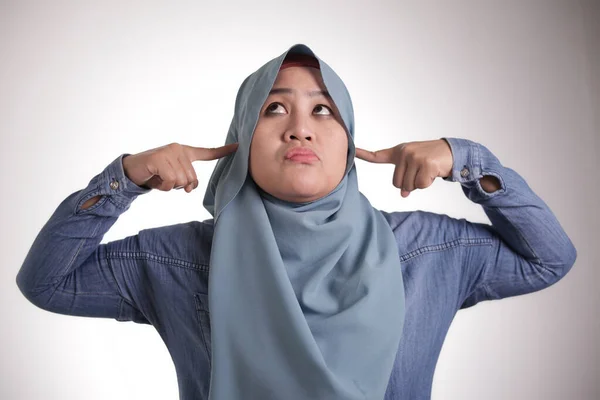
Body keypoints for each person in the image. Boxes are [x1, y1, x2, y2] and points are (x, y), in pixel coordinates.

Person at [16, 44, 577, 400]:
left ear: (350, 139)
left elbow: (550, 257)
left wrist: (469, 160)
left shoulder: (426, 250)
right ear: (241, 138)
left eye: (323, 110)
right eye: (274, 108)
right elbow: (47, 282)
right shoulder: (181, 259)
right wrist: (125, 179)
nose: (300, 129)